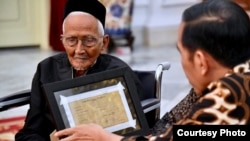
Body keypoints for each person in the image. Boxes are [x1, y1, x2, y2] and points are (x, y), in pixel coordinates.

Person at [52, 0, 250, 140]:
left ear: (200, 61)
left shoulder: (228, 97)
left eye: (181, 52)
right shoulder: (228, 77)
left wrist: (103, 137)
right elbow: (171, 121)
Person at [15, 0, 145, 140]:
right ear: (62, 40)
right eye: (71, 40)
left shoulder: (120, 75)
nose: (79, 50)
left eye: (89, 40)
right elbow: (31, 131)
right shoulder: (46, 69)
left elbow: (137, 135)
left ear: (104, 43)